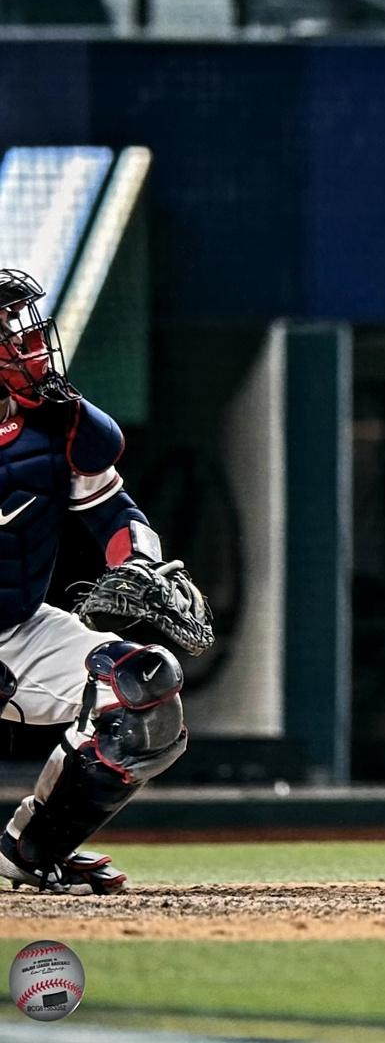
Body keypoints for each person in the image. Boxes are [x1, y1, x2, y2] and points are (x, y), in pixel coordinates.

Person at [0, 269, 204, 893]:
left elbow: (115, 512)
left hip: (17, 629)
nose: (29, 342)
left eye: (21, 325)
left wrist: (137, 563)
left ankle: (33, 849)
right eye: (7, 330)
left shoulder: (59, 427)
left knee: (143, 692)